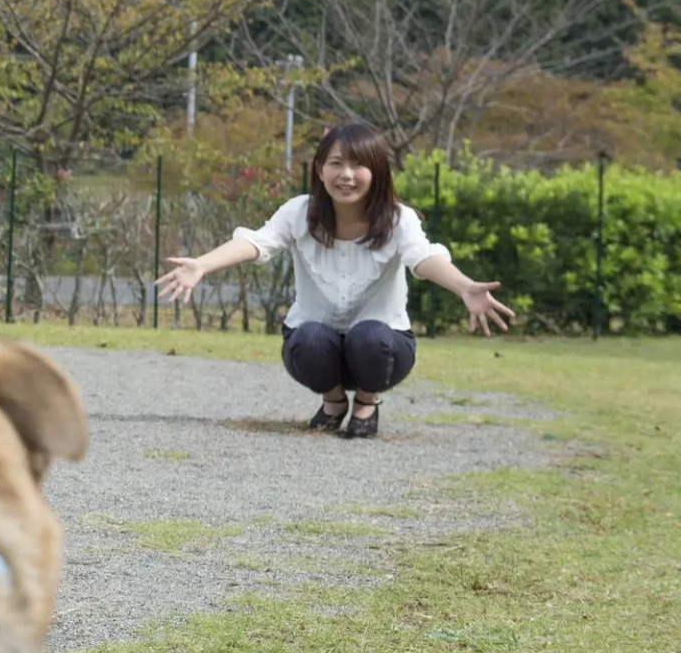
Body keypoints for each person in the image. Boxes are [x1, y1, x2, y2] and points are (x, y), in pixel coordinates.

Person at [153, 122, 515, 438]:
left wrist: (465, 286)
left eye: (358, 165)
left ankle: (367, 402)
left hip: (383, 349)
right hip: (316, 346)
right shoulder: (299, 212)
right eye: (337, 163)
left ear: (377, 171)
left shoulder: (397, 219)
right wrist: (201, 265)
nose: (347, 174)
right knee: (309, 336)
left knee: (369, 335)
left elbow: (423, 258)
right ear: (320, 169)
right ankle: (334, 401)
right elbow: (258, 242)